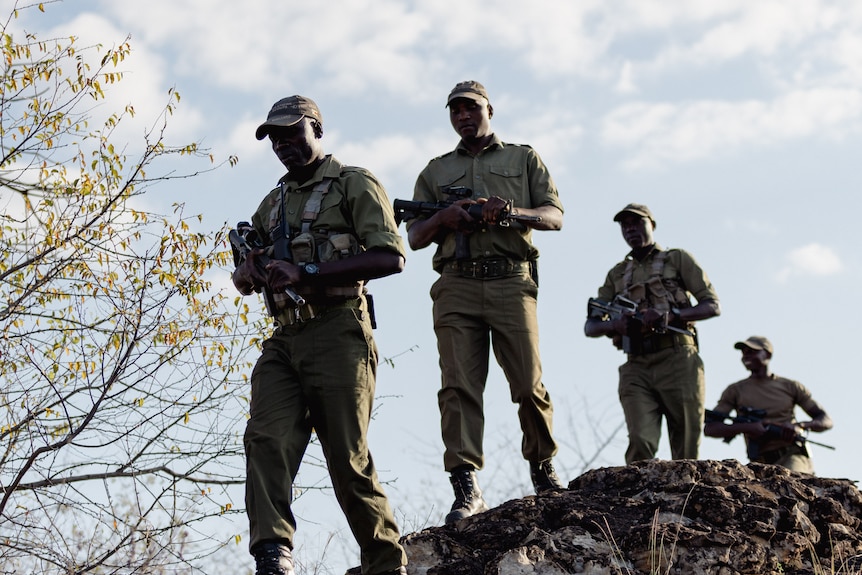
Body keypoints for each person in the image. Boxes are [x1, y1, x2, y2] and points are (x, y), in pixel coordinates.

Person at [232, 95, 408, 575]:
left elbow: (391, 257)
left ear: (317, 129)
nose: (283, 144)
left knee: (346, 458)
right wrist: (249, 269)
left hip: (338, 329)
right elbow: (247, 281)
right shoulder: (273, 203)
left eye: (292, 132)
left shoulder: (355, 184)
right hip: (285, 338)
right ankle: (272, 554)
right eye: (274, 137)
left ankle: (385, 563)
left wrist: (306, 270)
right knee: (265, 439)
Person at [404, 80, 565, 525]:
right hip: (455, 284)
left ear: (489, 109)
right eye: (455, 110)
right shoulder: (435, 171)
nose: (463, 116)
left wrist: (509, 212)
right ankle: (466, 486)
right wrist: (446, 217)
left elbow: (554, 216)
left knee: (528, 384)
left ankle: (543, 470)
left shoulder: (523, 158)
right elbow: (415, 237)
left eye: (471, 108)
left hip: (511, 281)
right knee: (458, 388)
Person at [584, 203, 720, 464]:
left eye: (637, 223)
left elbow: (712, 305)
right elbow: (590, 325)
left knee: (686, 443)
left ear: (652, 225)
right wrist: (616, 325)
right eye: (625, 225)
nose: (630, 229)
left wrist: (671, 316)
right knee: (640, 440)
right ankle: (635, 501)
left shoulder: (677, 259)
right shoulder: (617, 273)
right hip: (637, 364)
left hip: (678, 357)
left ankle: (686, 500)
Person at [704, 336, 833, 474]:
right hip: (759, 462)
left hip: (791, 455)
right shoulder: (735, 390)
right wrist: (747, 427)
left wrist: (799, 426)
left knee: (791, 483)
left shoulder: (790, 386)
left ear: (767, 354)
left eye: (752, 351)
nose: (746, 355)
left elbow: (825, 420)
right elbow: (711, 428)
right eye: (744, 352)